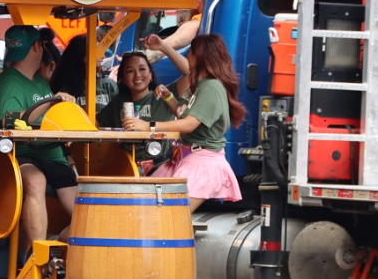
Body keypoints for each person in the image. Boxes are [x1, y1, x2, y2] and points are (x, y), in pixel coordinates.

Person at [0, 25, 78, 262]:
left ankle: (53, 249)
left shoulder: (39, 82)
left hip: (53, 156)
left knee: (87, 213)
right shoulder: (8, 82)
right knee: (36, 181)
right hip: (19, 155)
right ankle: (39, 258)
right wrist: (51, 104)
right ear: (38, 46)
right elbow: (11, 119)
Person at [123, 34, 244, 210]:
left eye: (191, 52)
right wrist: (169, 98)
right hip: (186, 159)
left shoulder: (211, 87)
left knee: (171, 216)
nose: (187, 56)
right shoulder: (201, 85)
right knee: (151, 207)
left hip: (202, 163)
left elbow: (189, 124)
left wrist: (147, 125)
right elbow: (184, 115)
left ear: (200, 56)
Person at [96, 50, 178, 173]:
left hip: (159, 167)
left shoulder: (163, 95)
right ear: (122, 78)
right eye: (130, 71)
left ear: (150, 74)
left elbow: (189, 72)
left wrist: (162, 46)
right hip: (125, 169)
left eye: (142, 69)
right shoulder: (118, 103)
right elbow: (95, 124)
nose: (137, 75)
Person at [50, 34, 118, 108]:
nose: (103, 57)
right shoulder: (63, 92)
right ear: (84, 57)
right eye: (98, 52)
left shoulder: (108, 85)